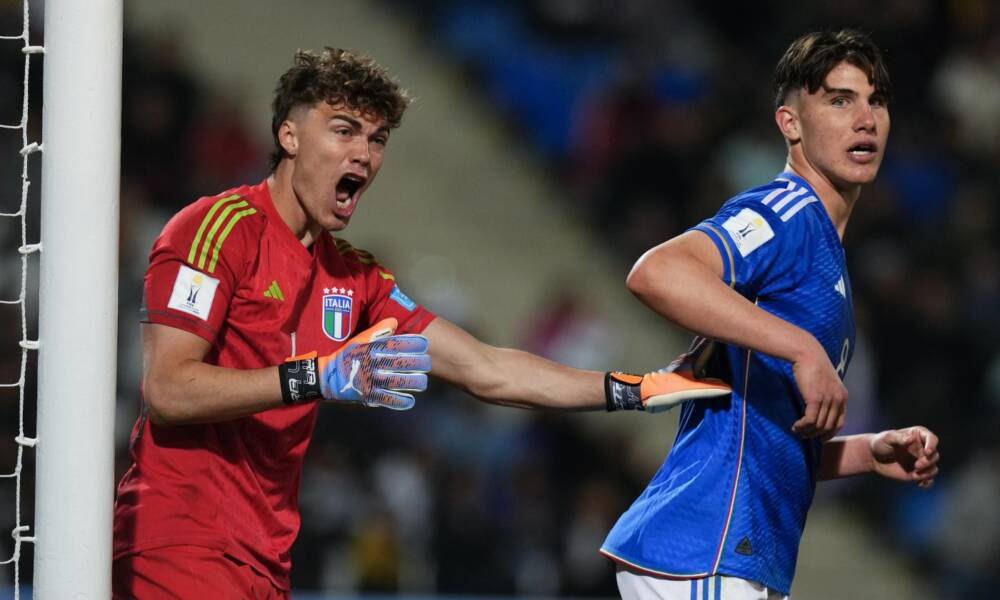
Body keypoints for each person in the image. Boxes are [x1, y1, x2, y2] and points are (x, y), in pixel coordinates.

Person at [111, 48, 734, 599]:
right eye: (343, 130)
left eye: (377, 138)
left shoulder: (354, 276)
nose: (363, 154)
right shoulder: (216, 230)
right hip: (178, 541)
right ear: (289, 136)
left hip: (266, 559)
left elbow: (486, 368)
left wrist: (633, 388)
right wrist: (316, 377)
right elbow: (168, 389)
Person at [599, 30, 941, 599]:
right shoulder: (786, 212)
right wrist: (803, 348)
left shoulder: (825, 255)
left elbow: (759, 434)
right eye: (840, 100)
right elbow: (657, 272)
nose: (866, 119)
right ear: (790, 123)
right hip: (705, 548)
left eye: (877, 101)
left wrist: (866, 451)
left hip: (731, 557)